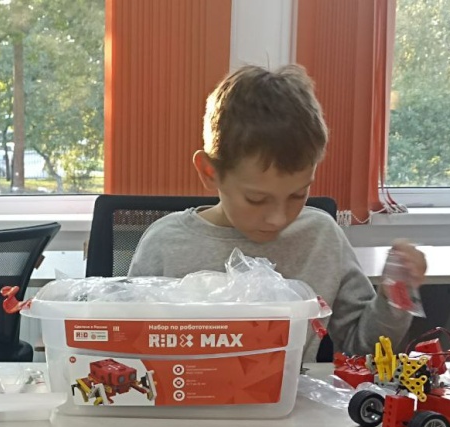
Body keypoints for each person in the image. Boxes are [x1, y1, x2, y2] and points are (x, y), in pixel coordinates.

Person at [128, 64, 426, 361]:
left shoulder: (321, 237)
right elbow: (129, 348)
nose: (278, 218)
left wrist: (396, 293)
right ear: (209, 173)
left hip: (295, 393)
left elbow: (363, 350)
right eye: (256, 199)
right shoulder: (166, 244)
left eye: (297, 195)